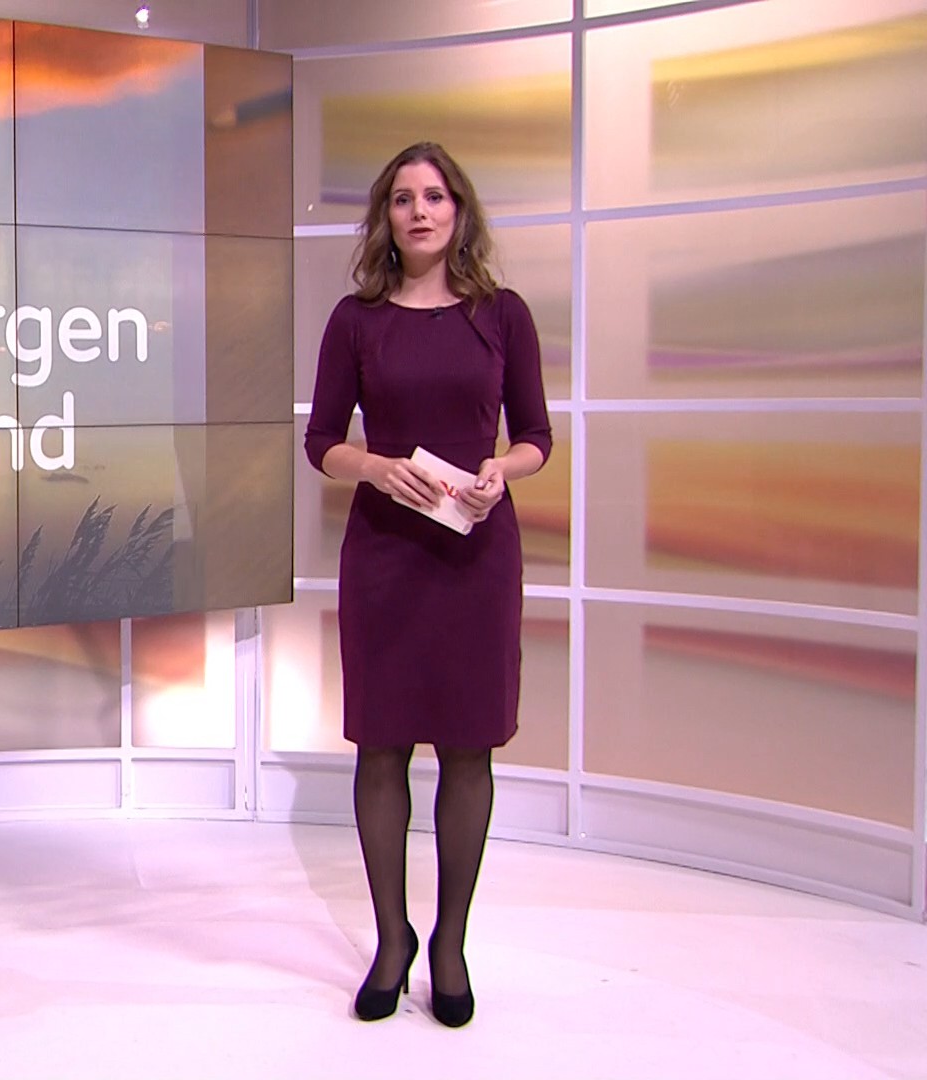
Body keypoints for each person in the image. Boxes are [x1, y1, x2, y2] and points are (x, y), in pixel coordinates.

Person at [302, 141, 552, 1027]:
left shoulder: (503, 315)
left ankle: (449, 944)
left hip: (475, 557)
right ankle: (391, 940)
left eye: (435, 196)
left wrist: (500, 472)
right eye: (403, 198)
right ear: (386, 217)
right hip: (385, 559)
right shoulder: (355, 320)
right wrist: (374, 468)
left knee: (468, 747)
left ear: (459, 211)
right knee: (381, 748)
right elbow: (320, 440)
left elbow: (537, 436)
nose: (420, 211)